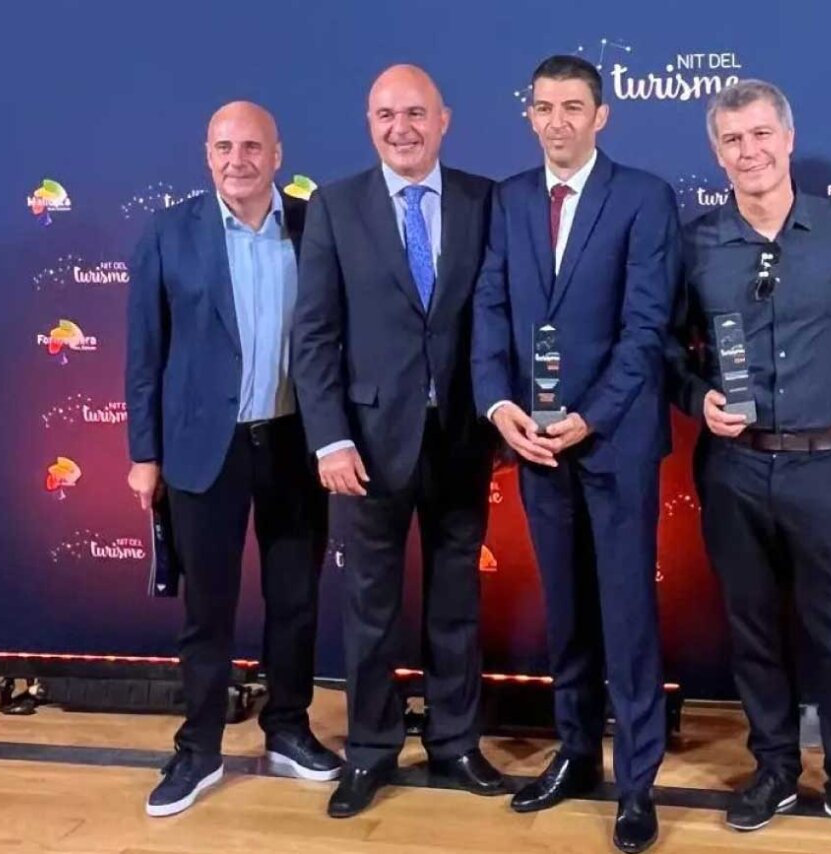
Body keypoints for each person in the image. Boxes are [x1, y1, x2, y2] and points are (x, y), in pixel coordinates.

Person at [666, 79, 831, 851]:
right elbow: (669, 347)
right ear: (718, 153)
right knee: (753, 630)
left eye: (760, 135)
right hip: (734, 470)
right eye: (732, 141)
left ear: (786, 137)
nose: (749, 151)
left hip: (826, 466)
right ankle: (773, 767)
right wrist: (696, 394)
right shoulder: (698, 243)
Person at [471, 54, 679, 854]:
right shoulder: (511, 199)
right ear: (529, 115)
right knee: (567, 610)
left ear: (602, 116)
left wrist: (590, 417)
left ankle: (637, 784)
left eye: (573, 107)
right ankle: (575, 755)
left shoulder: (643, 198)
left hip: (614, 442)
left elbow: (646, 328)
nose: (557, 120)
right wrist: (500, 409)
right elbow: (490, 310)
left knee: (626, 614)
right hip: (533, 446)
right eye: (544, 107)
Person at [291, 65, 504, 819]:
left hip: (461, 441)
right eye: (385, 114)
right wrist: (328, 441)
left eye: (415, 112)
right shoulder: (335, 206)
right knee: (369, 610)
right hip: (366, 450)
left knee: (456, 603)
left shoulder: (487, 199)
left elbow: (500, 316)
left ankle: (457, 744)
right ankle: (371, 752)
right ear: (367, 121)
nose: (400, 127)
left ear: (445, 119)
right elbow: (313, 335)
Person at [126, 101, 339, 817]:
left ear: (278, 154)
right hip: (200, 451)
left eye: (252, 146)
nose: (237, 159)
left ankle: (287, 728)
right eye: (224, 146)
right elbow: (144, 356)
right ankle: (200, 748)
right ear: (205, 153)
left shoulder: (316, 228)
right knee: (207, 611)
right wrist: (143, 454)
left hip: (292, 444)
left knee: (296, 602)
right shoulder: (169, 233)